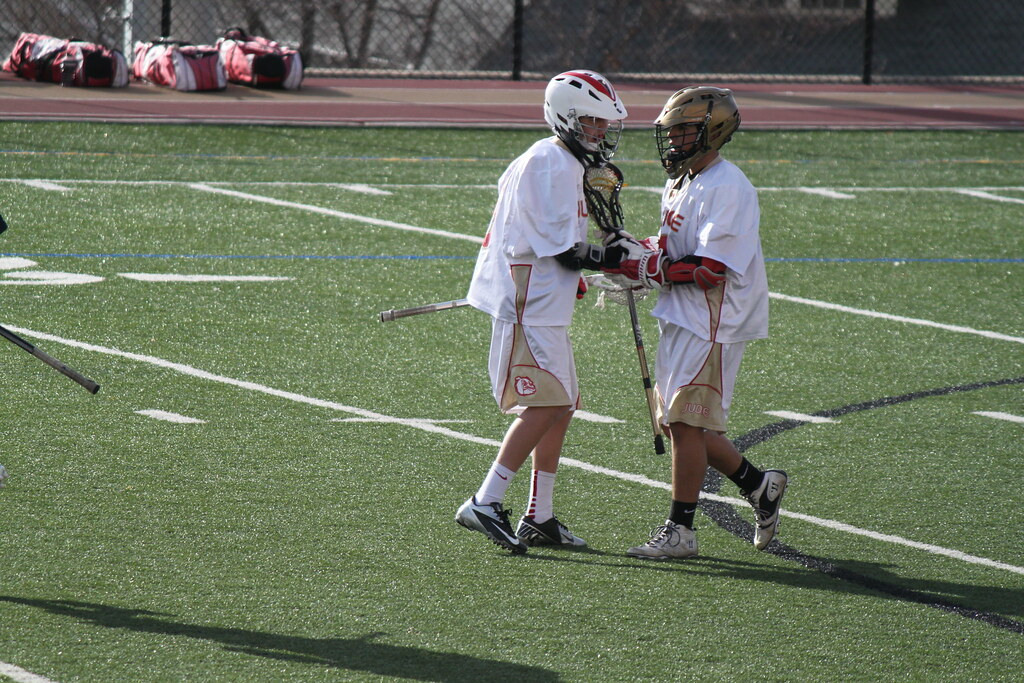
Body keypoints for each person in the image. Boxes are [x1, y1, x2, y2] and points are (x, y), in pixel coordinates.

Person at [455, 70, 634, 553]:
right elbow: (564, 251)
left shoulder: (562, 161)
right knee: (549, 401)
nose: (601, 132)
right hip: (526, 300)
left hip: (542, 300)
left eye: (605, 123)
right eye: (594, 122)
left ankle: (540, 514)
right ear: (568, 118)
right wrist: (615, 259)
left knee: (564, 403)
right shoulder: (551, 162)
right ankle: (485, 500)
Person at [606, 86, 787, 559]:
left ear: (714, 132)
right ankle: (758, 484)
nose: (674, 141)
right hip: (681, 313)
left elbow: (711, 269)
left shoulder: (728, 187)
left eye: (684, 131)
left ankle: (680, 530)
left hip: (715, 318)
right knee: (681, 425)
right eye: (672, 132)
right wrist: (632, 253)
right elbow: (674, 247)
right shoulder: (683, 180)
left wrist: (650, 270)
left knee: (684, 423)